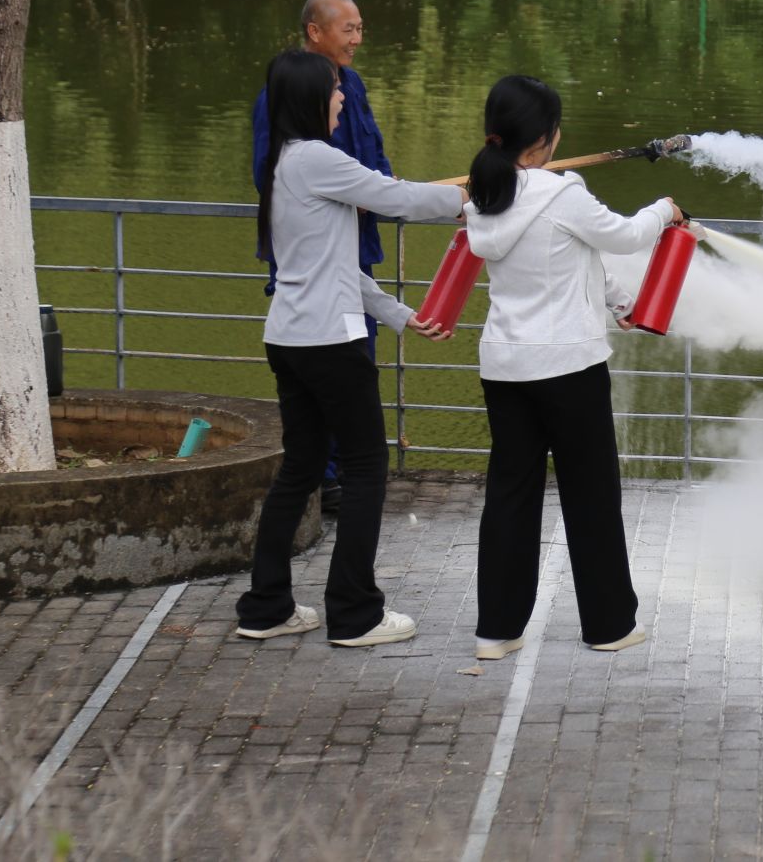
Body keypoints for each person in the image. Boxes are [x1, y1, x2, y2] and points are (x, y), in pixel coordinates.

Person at [235, 48, 463, 648]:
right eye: (335, 89)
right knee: (365, 470)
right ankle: (356, 614)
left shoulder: (284, 163)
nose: (342, 97)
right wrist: (478, 194)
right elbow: (398, 197)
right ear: (310, 98)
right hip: (329, 344)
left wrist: (400, 315)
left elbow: (333, 267)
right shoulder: (317, 159)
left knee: (300, 469)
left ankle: (266, 607)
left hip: (290, 338)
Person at [462, 74, 685, 659]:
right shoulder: (563, 194)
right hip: (569, 366)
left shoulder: (484, 197)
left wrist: (620, 303)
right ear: (546, 137)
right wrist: (664, 210)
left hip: (506, 366)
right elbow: (627, 236)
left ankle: (496, 632)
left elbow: (575, 257)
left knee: (510, 495)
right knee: (591, 495)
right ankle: (609, 626)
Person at [253, 0, 391, 515]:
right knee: (323, 369)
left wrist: (380, 193)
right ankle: (326, 478)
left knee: (359, 360)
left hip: (357, 249)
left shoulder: (352, 85)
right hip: (310, 260)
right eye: (348, 29)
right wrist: (347, 197)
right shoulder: (279, 96)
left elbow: (376, 160)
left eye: (360, 28)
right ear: (315, 31)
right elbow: (270, 176)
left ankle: (349, 471)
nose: (357, 39)